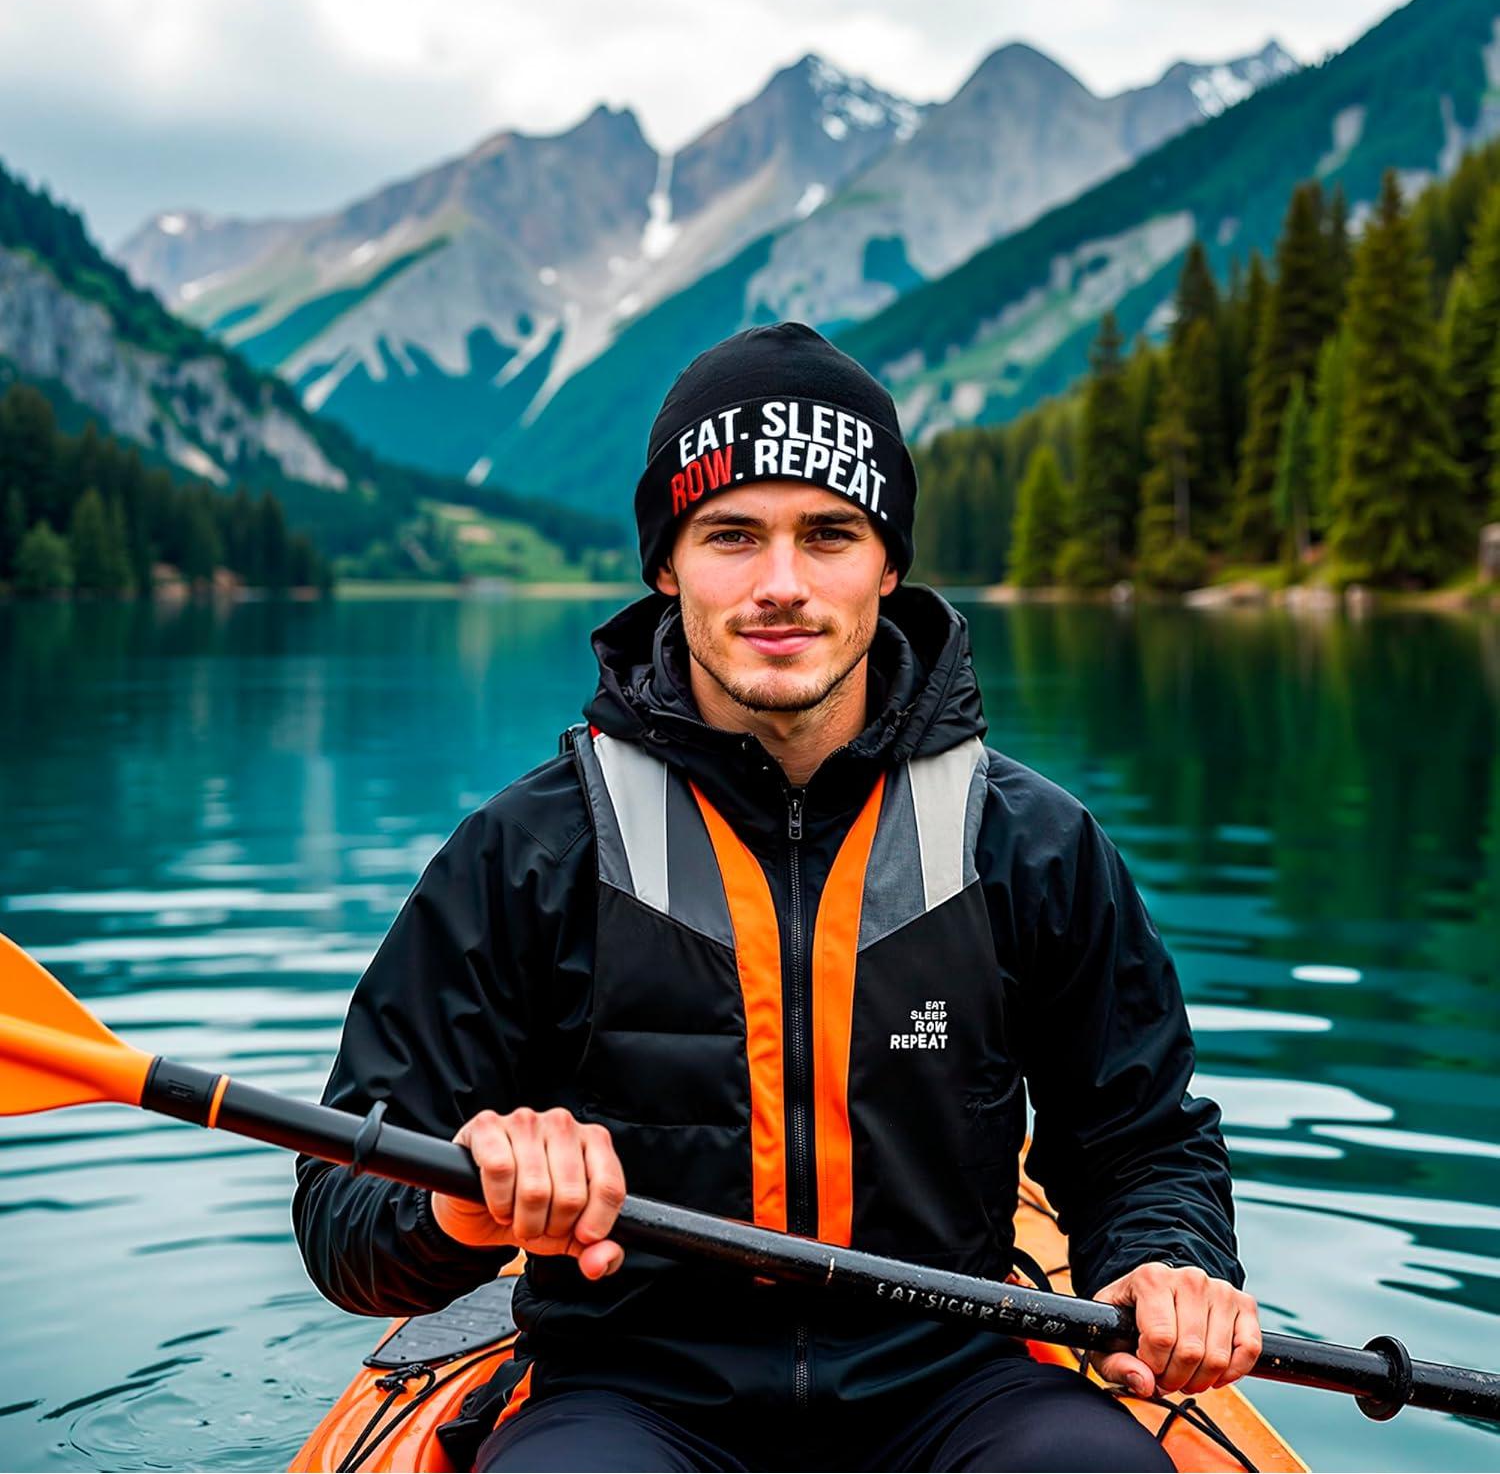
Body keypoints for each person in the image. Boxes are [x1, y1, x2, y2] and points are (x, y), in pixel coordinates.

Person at [292, 321, 1261, 1472]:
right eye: (733, 535)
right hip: (629, 1393)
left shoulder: (1032, 845)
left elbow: (1142, 1144)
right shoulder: (528, 852)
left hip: (956, 1381)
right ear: (667, 564)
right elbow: (344, 1216)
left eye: (830, 535)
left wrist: (1168, 1260)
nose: (782, 585)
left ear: (888, 566)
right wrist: (468, 1200)